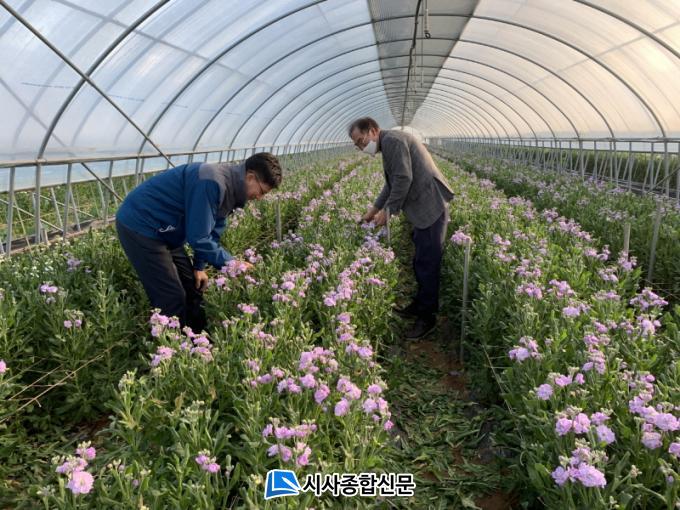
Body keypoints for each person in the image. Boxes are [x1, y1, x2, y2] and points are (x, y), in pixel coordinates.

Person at [115, 152, 282, 333]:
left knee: (193, 286)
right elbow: (199, 238)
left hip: (168, 230)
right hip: (142, 225)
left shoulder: (231, 188)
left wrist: (199, 267)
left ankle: (198, 340)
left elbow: (213, 230)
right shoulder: (212, 181)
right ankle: (172, 346)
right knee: (171, 296)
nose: (260, 197)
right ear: (250, 177)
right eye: (262, 191)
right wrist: (233, 264)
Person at [349, 117, 453, 339]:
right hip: (423, 207)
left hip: (430, 207)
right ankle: (419, 304)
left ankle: (427, 318)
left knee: (428, 263)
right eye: (357, 145)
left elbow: (404, 178)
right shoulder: (388, 143)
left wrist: (388, 212)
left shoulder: (393, 141)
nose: (360, 147)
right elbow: (392, 183)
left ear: (373, 131)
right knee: (420, 260)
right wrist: (374, 209)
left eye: (360, 141)